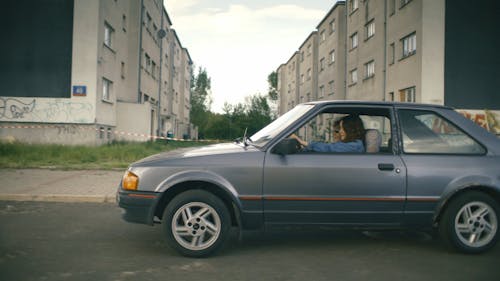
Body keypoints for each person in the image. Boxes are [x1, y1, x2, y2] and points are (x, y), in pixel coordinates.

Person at [290, 115, 365, 153]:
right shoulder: (352, 144)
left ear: (351, 130)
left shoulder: (354, 146)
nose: (340, 131)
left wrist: (302, 142)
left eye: (343, 128)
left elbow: (328, 148)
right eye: (340, 128)